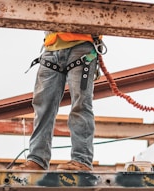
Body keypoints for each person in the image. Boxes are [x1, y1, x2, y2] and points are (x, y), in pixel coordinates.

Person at [13, 32, 100, 171]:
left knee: (81, 104)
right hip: (51, 47)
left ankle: (81, 160)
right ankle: (37, 160)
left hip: (82, 46)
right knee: (43, 107)